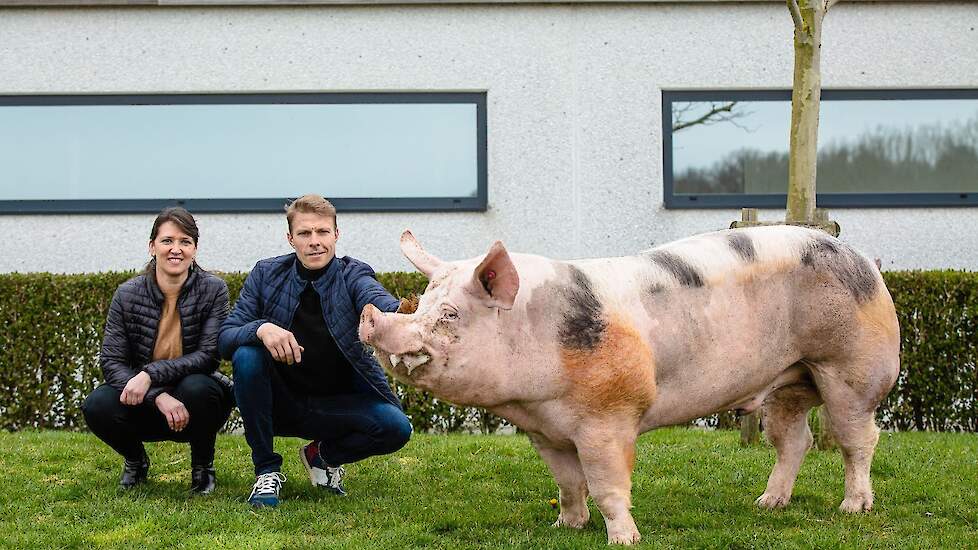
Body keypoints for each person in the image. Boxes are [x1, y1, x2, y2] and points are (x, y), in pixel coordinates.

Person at [218, 194, 412, 508]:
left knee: (396, 428)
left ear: (336, 235)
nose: (315, 242)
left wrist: (400, 315)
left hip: (338, 406)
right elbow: (224, 337)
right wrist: (261, 329)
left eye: (322, 232)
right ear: (290, 238)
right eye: (305, 234)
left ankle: (320, 456)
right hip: (281, 403)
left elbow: (377, 299)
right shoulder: (266, 274)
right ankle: (266, 471)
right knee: (246, 354)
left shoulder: (353, 274)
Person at [82, 207, 234, 494]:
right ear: (152, 246)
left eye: (185, 242)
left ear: (195, 249)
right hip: (145, 403)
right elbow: (111, 362)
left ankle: (203, 469)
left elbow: (208, 355)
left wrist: (150, 375)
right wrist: (157, 395)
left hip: (194, 400)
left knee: (200, 387)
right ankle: (136, 461)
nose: (175, 249)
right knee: (97, 405)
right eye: (167, 241)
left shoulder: (214, 289)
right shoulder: (127, 294)